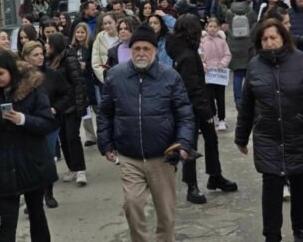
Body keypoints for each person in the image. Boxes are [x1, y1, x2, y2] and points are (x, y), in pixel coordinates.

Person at [97, 22, 195, 242]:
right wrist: (106, 143)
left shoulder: (170, 76)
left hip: (162, 156)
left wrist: (184, 144)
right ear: (130, 50)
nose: (141, 53)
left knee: (166, 214)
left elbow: (185, 115)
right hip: (130, 157)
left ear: (154, 51)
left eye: (146, 49)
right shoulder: (115, 76)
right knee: (132, 205)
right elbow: (104, 113)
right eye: (136, 49)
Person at [235, 18, 303, 242]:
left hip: (299, 132)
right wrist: (241, 137)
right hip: (268, 136)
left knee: (300, 183)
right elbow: (247, 105)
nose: (269, 42)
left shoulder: (302, 61)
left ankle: (300, 231)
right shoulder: (254, 66)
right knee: (271, 186)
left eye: (273, 37)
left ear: (283, 37)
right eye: (264, 39)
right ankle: (271, 235)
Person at [0, 51, 57, 242]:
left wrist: (22, 119)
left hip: (32, 161)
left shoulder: (32, 90)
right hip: (2, 165)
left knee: (36, 215)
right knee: (7, 221)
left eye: (1, 73)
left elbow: (47, 123)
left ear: (12, 72)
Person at [166, 14, 237, 204]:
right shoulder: (187, 55)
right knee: (189, 145)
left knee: (211, 140)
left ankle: (215, 176)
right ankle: (191, 185)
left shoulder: (185, 50)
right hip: (192, 106)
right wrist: (206, 112)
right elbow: (193, 86)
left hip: (196, 102)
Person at [22, 41, 72, 209]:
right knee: (30, 162)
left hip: (49, 125)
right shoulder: (20, 77)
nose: (40, 57)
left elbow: (67, 94)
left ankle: (48, 193)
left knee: (46, 159)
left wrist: (56, 108)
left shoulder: (53, 75)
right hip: (27, 125)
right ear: (26, 58)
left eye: (42, 53)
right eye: (35, 55)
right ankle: (32, 200)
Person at [45, 32, 88, 186]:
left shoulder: (69, 58)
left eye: (48, 43)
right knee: (63, 139)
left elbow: (78, 82)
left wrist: (80, 105)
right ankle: (72, 168)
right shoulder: (49, 60)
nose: (45, 46)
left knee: (72, 137)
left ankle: (80, 169)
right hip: (59, 106)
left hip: (72, 105)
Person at [225, 0, 257, 109]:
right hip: (247, 45)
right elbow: (255, 26)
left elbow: (228, 27)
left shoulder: (229, 12)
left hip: (234, 45)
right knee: (248, 74)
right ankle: (251, 97)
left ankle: (238, 100)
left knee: (237, 74)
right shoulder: (250, 11)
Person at [200, 17, 231, 131]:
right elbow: (199, 56)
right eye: (210, 26)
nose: (212, 29)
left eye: (215, 27)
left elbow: (227, 55)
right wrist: (203, 65)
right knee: (209, 97)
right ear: (206, 27)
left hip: (219, 75)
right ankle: (213, 115)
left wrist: (222, 64)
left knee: (220, 97)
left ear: (218, 28)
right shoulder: (202, 42)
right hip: (208, 75)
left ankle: (221, 119)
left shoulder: (222, 42)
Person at [72, 23, 97, 147]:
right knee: (85, 110)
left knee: (97, 108)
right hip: (80, 82)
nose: (80, 35)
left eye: (82, 32)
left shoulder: (92, 46)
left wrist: (86, 65)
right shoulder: (72, 48)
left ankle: (102, 133)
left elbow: (95, 61)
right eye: (78, 32)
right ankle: (90, 136)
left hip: (91, 80)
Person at [91, 12, 118, 86]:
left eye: (110, 23)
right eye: (105, 24)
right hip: (106, 81)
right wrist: (105, 78)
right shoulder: (99, 38)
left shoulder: (122, 37)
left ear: (116, 23)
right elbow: (95, 63)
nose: (107, 26)